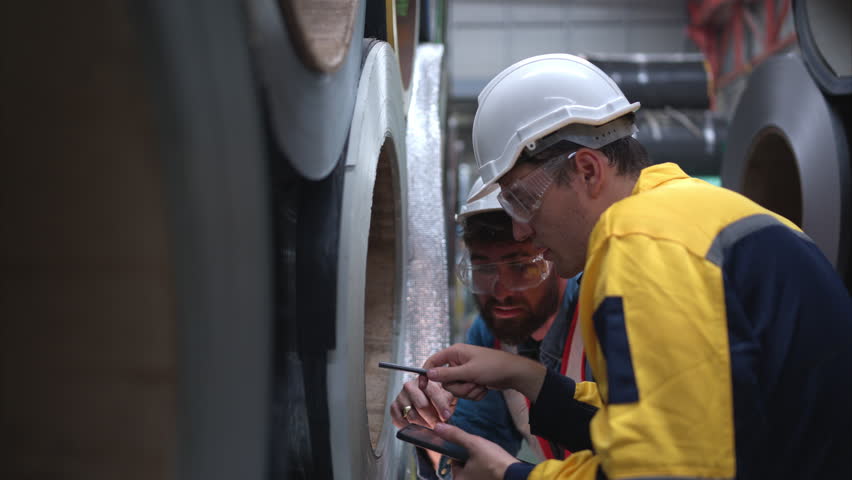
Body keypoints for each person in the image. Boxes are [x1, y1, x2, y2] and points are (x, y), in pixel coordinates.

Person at [418, 53, 852, 480]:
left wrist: (509, 474)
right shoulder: (686, 212)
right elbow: (663, 418)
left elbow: (662, 469)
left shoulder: (638, 239)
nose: (519, 231)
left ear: (587, 171)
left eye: (522, 200)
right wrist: (523, 376)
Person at [390, 179, 588, 479]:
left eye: (521, 267)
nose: (500, 291)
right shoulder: (492, 335)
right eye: (483, 269)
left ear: (554, 256)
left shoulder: (601, 315)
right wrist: (431, 427)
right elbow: (474, 452)